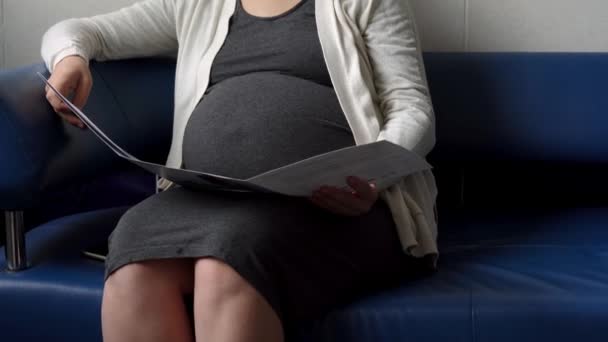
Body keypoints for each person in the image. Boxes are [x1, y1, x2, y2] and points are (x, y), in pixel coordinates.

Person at [41, 0, 439, 341]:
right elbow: (79, 31)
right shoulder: (198, 5)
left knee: (228, 262)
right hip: (204, 198)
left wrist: (373, 175)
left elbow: (411, 107)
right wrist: (70, 58)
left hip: (333, 204)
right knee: (133, 258)